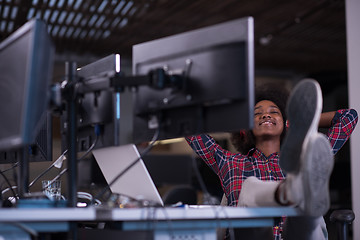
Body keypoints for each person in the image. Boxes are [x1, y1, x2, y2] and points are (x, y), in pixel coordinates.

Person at [186, 79, 358, 240]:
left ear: (285, 123)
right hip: (251, 236)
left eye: (274, 112)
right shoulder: (229, 162)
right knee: (249, 188)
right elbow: (188, 126)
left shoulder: (303, 158)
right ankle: (291, 191)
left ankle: (301, 196)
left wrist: (301, 121)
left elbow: (349, 117)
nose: (265, 116)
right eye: (257, 114)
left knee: (302, 216)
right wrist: (236, 120)